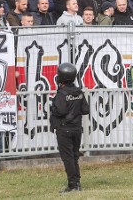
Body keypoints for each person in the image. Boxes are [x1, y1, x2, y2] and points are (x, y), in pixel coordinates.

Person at [50, 62, 89, 193]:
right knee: (74, 156)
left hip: (64, 129)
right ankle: (76, 183)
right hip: (77, 129)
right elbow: (85, 109)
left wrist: (52, 108)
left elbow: (60, 111)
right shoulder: (79, 92)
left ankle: (73, 185)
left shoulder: (62, 93)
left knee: (68, 157)